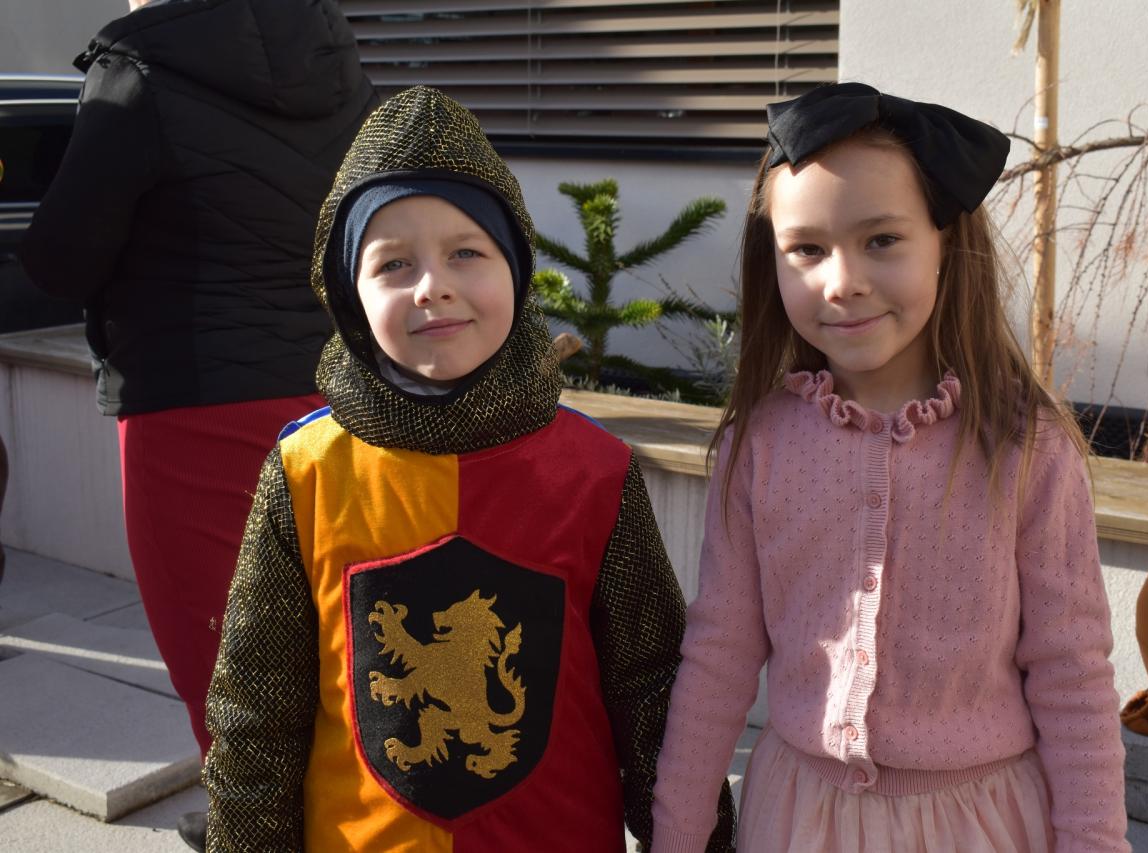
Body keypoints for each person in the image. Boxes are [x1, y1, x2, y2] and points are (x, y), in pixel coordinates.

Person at [201, 86, 736, 852]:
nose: (434, 285)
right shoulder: (305, 472)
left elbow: (653, 694)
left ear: (515, 266)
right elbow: (257, 714)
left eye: (466, 252)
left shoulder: (594, 471)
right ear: (349, 294)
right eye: (394, 262)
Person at [650, 83, 1129, 853]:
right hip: (798, 821)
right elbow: (719, 656)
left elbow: (1072, 674)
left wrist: (1094, 842)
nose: (842, 280)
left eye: (881, 239)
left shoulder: (1024, 447)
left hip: (981, 826)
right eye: (807, 249)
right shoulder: (758, 445)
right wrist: (676, 834)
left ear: (946, 243)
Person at [18, 0, 376, 768]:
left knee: (230, 684)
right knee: (335, 663)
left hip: (192, 410)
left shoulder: (138, 72)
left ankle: (255, 815)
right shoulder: (335, 63)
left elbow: (59, 259)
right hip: (333, 399)